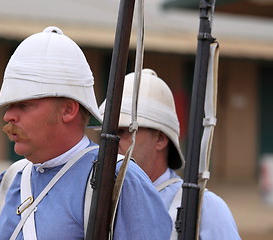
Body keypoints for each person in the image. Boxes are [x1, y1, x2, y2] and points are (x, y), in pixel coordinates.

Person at [0, 27, 172, 240]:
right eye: (9, 105)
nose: (9, 116)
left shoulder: (120, 180)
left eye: (24, 105)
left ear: (68, 110)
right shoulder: (11, 180)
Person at [99, 68, 241, 239]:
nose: (112, 142)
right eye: (108, 133)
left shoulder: (205, 208)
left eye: (123, 132)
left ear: (160, 139)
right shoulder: (96, 198)